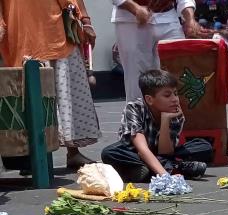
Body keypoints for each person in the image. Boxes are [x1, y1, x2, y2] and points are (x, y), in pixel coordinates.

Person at [0, 0, 101, 170]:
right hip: (22, 33)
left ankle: (73, 152)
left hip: (57, 34)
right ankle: (30, 157)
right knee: (27, 99)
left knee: (66, 96)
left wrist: (85, 21)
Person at [101, 70, 213, 182]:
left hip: (162, 154)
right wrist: (165, 177)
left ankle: (153, 170)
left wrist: (166, 120)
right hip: (134, 153)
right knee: (110, 153)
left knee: (203, 146)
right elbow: (142, 149)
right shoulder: (134, 108)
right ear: (149, 99)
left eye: (175, 93)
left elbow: (165, 152)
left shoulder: (175, 113)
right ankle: (176, 167)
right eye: (167, 95)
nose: (174, 99)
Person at [110, 0, 208, 102]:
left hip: (168, 17)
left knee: (178, 68)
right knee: (137, 77)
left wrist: (190, 19)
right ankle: (138, 115)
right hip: (131, 19)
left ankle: (175, 114)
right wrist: (134, 8)